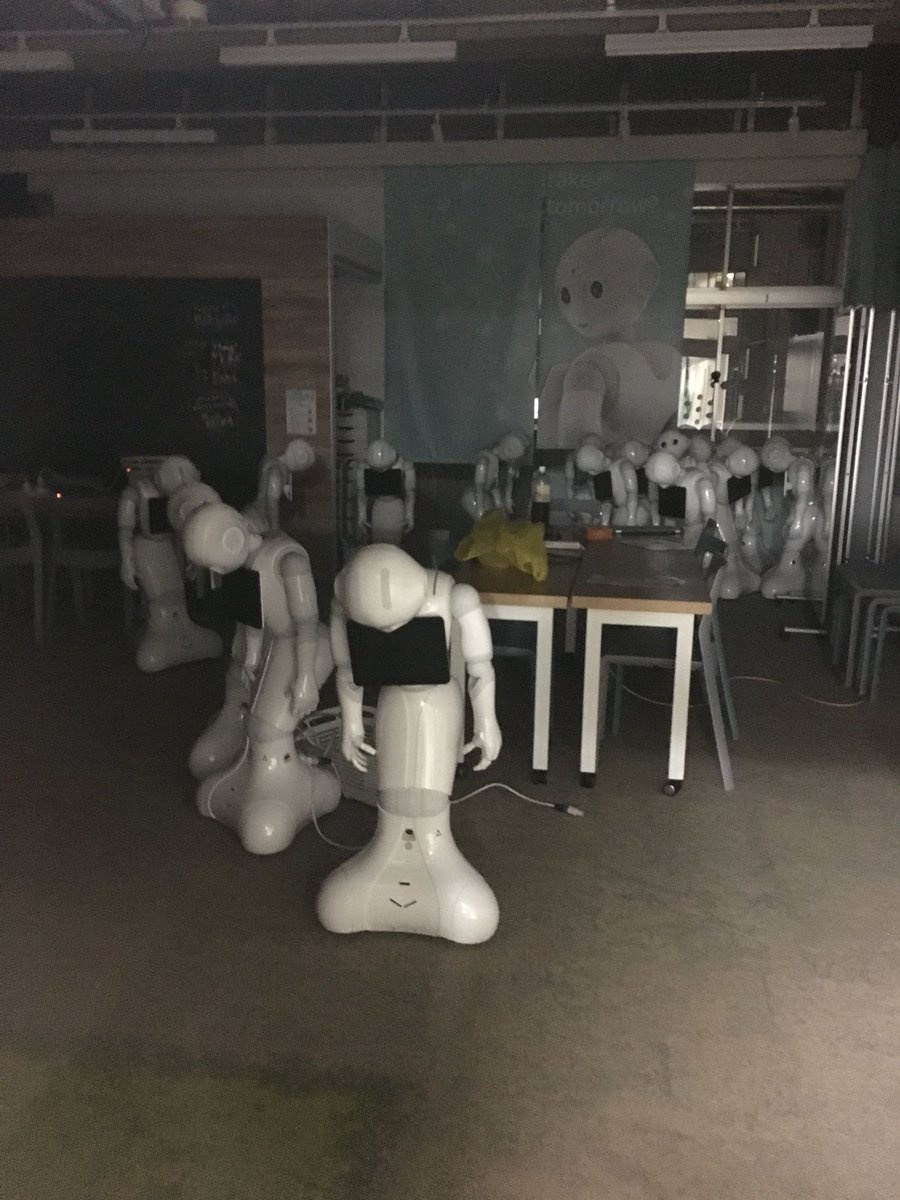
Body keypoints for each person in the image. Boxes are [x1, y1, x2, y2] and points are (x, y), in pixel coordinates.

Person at [317, 544, 502, 943]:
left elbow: (480, 667)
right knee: (394, 791)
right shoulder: (347, 601)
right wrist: (352, 724)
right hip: (392, 701)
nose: (389, 636)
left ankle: (431, 860)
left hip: (439, 704)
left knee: (427, 796)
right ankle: (391, 854)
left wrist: (486, 722)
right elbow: (347, 669)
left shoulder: (453, 595)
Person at [181, 502, 338, 854]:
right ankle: (248, 775)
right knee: (249, 714)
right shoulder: (244, 564)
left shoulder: (288, 562)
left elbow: (307, 623)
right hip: (275, 640)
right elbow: (251, 615)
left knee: (267, 728)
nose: (215, 572)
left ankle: (306, 784)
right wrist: (251, 656)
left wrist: (305, 677)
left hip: (307, 646)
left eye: (215, 564)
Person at [117, 456, 222, 672]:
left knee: (177, 595)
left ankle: (182, 629)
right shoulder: (135, 493)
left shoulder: (178, 497)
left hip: (169, 546)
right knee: (160, 598)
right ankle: (161, 631)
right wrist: (127, 560)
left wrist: (191, 558)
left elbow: (182, 527)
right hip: (145, 548)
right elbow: (125, 529)